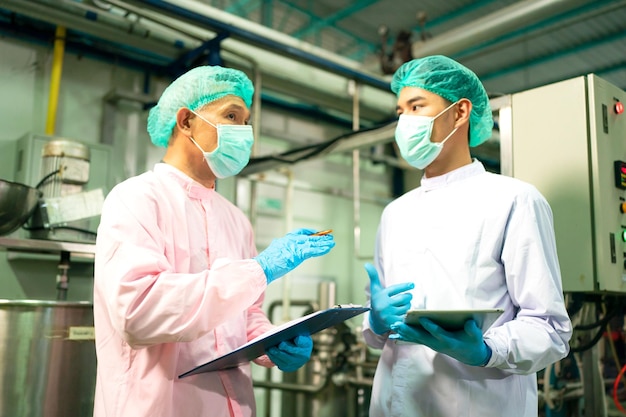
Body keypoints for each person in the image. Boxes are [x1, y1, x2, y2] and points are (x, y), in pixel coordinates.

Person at [92, 65, 336, 417]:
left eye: (246, 120)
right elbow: (138, 312)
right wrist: (260, 269)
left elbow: (245, 314)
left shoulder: (235, 219)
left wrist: (273, 340)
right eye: (231, 116)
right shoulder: (136, 199)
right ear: (186, 121)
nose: (244, 132)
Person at [362, 55, 572, 417]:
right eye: (400, 112)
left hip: (479, 405)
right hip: (396, 403)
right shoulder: (395, 213)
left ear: (459, 113)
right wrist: (375, 322)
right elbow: (376, 330)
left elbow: (550, 329)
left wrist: (487, 350)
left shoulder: (514, 200)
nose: (404, 122)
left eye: (417, 106)